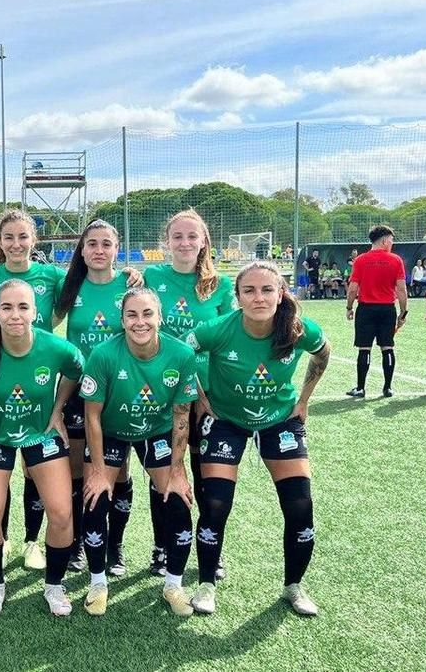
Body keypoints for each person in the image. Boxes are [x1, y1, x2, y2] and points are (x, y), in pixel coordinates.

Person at [0, 208, 140, 570]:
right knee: (24, 474)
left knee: (108, 469)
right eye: (9, 237)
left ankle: (47, 542)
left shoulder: (55, 277)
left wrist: (130, 273)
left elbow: (63, 315)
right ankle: (2, 544)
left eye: (23, 237)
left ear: (34, 241)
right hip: (6, 386)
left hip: (87, 386)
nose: (16, 244)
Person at [184, 261, 331, 616]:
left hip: (280, 420)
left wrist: (304, 400)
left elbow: (323, 352)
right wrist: (201, 399)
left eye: (267, 290)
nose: (259, 297)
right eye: (249, 291)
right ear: (237, 297)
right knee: (216, 504)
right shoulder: (218, 329)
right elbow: (182, 354)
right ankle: (206, 584)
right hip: (226, 421)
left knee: (300, 505)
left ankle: (294, 586)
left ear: (281, 294)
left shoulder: (298, 330)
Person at [0, 279, 84, 617]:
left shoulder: (56, 349)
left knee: (61, 513)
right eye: (7, 307)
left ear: (35, 312)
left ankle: (54, 585)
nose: (15, 315)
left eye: (23, 307)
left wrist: (58, 407)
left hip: (42, 435)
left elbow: (74, 372)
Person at [78, 287, 201, 616]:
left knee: (177, 500)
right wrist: (102, 471)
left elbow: (180, 416)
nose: (140, 321)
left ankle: (173, 585)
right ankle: (98, 583)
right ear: (122, 320)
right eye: (132, 315)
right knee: (95, 498)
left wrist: (177, 471)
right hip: (112, 432)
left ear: (159, 317)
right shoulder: (104, 355)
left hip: (156, 431)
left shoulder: (180, 355)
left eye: (147, 314)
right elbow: (92, 416)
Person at [143, 209, 235, 578]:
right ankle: (162, 545)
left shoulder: (221, 286)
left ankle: (211, 547)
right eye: (177, 236)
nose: (184, 243)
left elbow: (230, 337)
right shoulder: (150, 277)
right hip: (160, 393)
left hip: (206, 395)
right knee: (162, 472)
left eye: (191, 236)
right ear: (167, 242)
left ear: (203, 242)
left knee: (206, 474)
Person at [54, 219, 129, 573]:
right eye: (92, 244)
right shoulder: (69, 287)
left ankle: (114, 546)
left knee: (117, 472)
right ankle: (77, 544)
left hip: (117, 393)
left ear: (117, 249)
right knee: (76, 472)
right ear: (81, 251)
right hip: (76, 390)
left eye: (106, 244)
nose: (99, 250)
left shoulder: (129, 286)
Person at [345, 225, 408, 399]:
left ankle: (360, 388)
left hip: (366, 309)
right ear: (385, 240)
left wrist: (349, 307)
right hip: (387, 309)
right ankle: (387, 388)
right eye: (392, 240)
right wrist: (403, 313)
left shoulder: (360, 260)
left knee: (364, 348)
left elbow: (352, 289)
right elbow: (401, 289)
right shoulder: (396, 260)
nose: (392, 244)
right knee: (387, 347)